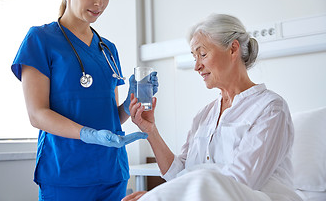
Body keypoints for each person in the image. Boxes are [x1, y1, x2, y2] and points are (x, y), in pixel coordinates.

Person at [11, 0, 158, 200]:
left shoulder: (108, 49)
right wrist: (88, 134)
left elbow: (112, 116)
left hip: (112, 172)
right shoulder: (40, 39)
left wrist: (132, 101)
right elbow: (37, 114)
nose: (99, 3)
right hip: (66, 173)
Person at [123, 14, 302, 200]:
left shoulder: (270, 109)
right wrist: (151, 131)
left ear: (233, 49)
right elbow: (179, 175)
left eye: (202, 54)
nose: (197, 66)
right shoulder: (204, 115)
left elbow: (240, 183)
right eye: (194, 57)